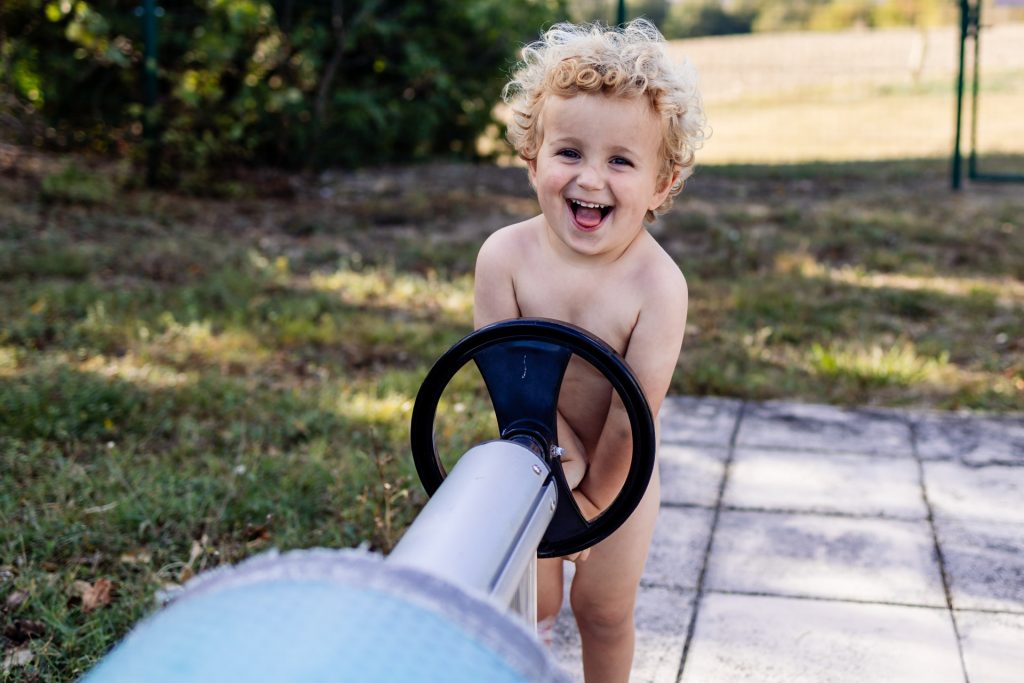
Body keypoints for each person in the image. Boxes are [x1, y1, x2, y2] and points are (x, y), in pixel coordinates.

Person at [473, 19, 707, 683]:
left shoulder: (658, 285)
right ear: (532, 158)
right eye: (569, 152)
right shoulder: (504, 259)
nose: (591, 179)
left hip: (622, 472)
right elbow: (505, 379)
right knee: (533, 602)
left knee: (603, 610)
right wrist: (554, 460)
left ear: (662, 185)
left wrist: (598, 501)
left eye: (622, 161)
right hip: (534, 452)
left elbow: (636, 409)